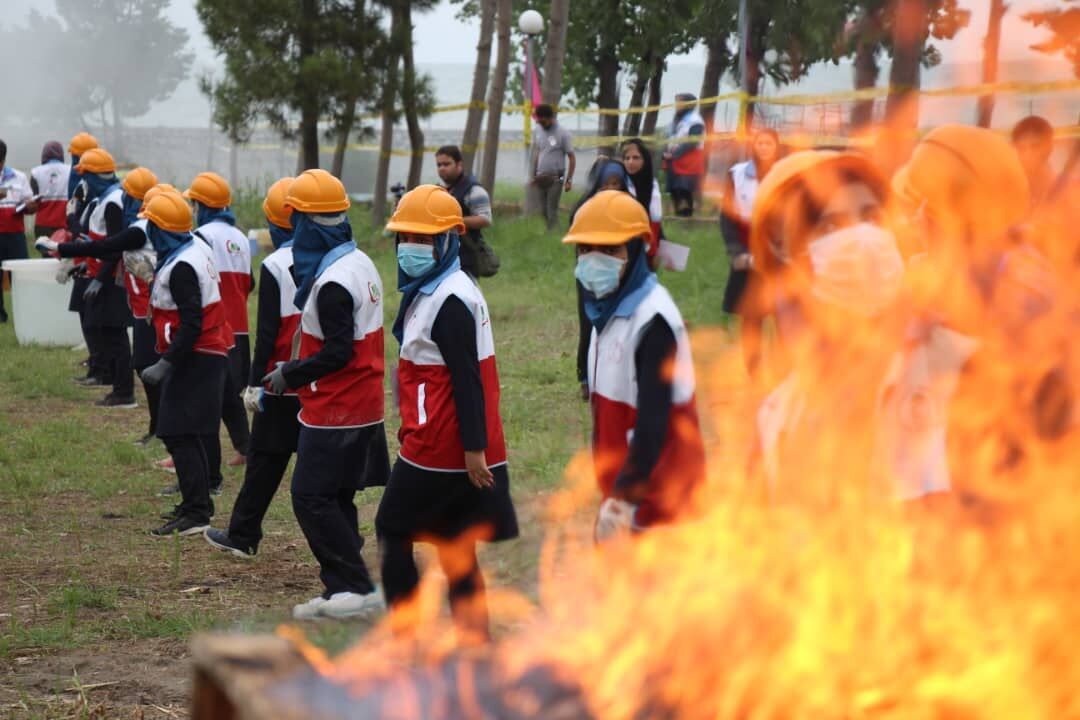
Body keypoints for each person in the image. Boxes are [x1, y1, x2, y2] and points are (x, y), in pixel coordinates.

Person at [891, 125, 1074, 509]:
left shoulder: (1023, 295)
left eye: (920, 205)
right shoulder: (948, 274)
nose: (915, 218)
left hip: (1005, 498)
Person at [376, 184, 518, 645]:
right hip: (444, 439)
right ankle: (474, 640)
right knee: (455, 543)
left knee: (391, 525)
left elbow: (467, 381)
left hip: (441, 446)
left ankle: (408, 631)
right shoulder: (437, 286)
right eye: (406, 238)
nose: (412, 248)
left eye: (423, 238)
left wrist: (474, 450)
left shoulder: (450, 298)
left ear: (448, 240)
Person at [259, 169, 389, 620]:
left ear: (307, 223)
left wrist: (287, 375)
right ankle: (344, 591)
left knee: (310, 496)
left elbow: (338, 352)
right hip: (360, 404)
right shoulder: (359, 261)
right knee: (335, 496)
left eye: (295, 220)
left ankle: (355, 585)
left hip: (339, 408)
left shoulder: (333, 280)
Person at [745, 151, 908, 500]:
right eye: (829, 226)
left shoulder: (934, 381)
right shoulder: (777, 416)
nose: (861, 241)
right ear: (783, 249)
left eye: (870, 218)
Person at [563, 190, 706, 541]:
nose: (594, 259)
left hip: (660, 501)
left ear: (638, 250)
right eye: (585, 249)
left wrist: (623, 501)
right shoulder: (607, 311)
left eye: (610, 250)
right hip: (627, 490)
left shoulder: (652, 320)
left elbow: (653, 423)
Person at [204, 177, 301, 558]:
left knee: (264, 459)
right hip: (313, 381)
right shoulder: (336, 258)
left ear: (276, 225)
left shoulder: (276, 263)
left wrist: (253, 384)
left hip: (279, 381)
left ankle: (243, 534)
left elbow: (267, 334)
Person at [138, 188, 229, 537]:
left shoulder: (182, 266)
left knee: (176, 432)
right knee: (185, 432)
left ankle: (196, 511)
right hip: (199, 355)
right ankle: (197, 505)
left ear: (162, 230)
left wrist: (166, 363)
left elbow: (192, 322)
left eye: (151, 227)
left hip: (196, 357)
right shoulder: (191, 249)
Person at [41, 167, 160, 413]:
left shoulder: (138, 225)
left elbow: (110, 246)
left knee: (129, 347)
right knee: (127, 347)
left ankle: (126, 393)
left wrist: (62, 248)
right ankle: (127, 394)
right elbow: (107, 246)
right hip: (137, 296)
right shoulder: (137, 220)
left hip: (143, 299)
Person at [169, 172, 251, 487]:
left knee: (206, 402)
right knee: (229, 396)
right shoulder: (241, 236)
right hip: (240, 329)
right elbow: (249, 283)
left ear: (201, 205)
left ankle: (206, 473)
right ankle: (246, 447)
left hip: (215, 330)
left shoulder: (198, 236)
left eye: (193, 202)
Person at [73, 148, 137, 407]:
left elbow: (114, 246)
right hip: (103, 272)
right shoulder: (105, 199)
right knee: (104, 329)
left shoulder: (113, 202)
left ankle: (124, 392)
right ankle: (112, 381)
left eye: (86, 176)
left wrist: (100, 278)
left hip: (111, 276)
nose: (83, 182)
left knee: (115, 333)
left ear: (97, 176)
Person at [570, 160, 634, 399]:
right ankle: (586, 377)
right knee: (589, 324)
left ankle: (616, 377)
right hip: (590, 277)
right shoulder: (584, 208)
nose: (611, 189)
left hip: (621, 275)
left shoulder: (630, 208)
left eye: (616, 184)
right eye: (606, 184)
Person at [721, 128, 781, 376]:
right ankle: (753, 373)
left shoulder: (785, 173)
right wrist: (738, 253)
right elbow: (727, 218)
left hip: (779, 257)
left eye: (769, 143)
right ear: (753, 146)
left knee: (784, 318)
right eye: (760, 143)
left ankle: (783, 373)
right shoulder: (737, 175)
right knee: (752, 319)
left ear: (777, 146)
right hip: (748, 258)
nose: (764, 147)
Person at [435, 145, 498, 278]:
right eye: (439, 165)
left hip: (467, 260)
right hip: (446, 259)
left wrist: (453, 222)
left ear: (459, 164)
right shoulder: (445, 190)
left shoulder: (473, 190)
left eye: (446, 164)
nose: (442, 168)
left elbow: (485, 219)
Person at [0, 139, 35, 323]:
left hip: (15, 233)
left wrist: (30, 206)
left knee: (20, 276)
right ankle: (0, 316)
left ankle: (24, 312)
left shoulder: (19, 177)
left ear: (3, 160)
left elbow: (30, 204)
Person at [530, 103, 577, 230]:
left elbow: (572, 158)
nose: (541, 124)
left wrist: (568, 180)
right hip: (541, 177)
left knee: (552, 209)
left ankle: (555, 234)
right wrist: (534, 176)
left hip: (558, 176)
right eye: (538, 122)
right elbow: (539, 153)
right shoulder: (539, 130)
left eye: (543, 121)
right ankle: (551, 231)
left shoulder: (563, 133)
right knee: (543, 210)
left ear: (551, 118)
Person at [621, 138, 664, 261]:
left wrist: (657, 246)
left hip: (647, 245)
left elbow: (656, 217)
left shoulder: (651, 185)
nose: (630, 162)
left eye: (636, 158)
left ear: (645, 160)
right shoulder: (619, 183)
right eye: (627, 158)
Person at [663, 93, 706, 217]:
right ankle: (678, 216)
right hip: (673, 160)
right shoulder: (676, 120)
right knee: (674, 190)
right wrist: (666, 152)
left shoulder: (695, 120)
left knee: (684, 189)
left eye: (680, 102)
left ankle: (686, 217)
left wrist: (675, 153)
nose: (677, 105)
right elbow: (670, 137)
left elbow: (693, 141)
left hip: (688, 160)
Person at [29, 141, 70, 253]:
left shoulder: (35, 172)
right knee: (65, 259)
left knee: (46, 259)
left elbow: (34, 200)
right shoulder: (71, 170)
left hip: (43, 225)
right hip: (66, 223)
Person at [1010, 115, 1055, 213]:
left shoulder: (1064, 190)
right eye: (1021, 148)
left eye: (1035, 146)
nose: (1027, 154)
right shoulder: (1009, 189)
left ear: (1049, 147)